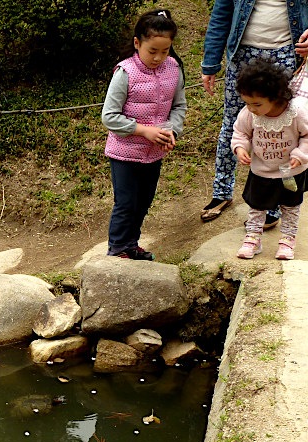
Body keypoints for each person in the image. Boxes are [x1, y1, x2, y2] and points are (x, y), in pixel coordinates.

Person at [199, 0, 308, 224]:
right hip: (241, 56)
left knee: (283, 132)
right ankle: (221, 192)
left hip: (284, 57)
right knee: (233, 126)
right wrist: (211, 63)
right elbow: (221, 13)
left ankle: (273, 205)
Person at [101, 9, 187, 260]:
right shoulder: (125, 72)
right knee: (126, 204)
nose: (159, 57)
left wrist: (171, 130)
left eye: (165, 51)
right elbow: (109, 116)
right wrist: (144, 130)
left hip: (154, 154)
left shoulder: (174, 68)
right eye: (152, 51)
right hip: (125, 154)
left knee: (143, 203)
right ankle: (117, 249)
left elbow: (179, 105)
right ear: (137, 43)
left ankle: (131, 244)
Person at [231, 59, 308, 260]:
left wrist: (300, 155)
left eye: (257, 104)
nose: (251, 108)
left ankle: (287, 240)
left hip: (290, 170)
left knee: (290, 205)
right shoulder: (250, 113)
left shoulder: (295, 112)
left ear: (276, 97)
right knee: (257, 205)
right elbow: (241, 132)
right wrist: (240, 148)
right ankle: (253, 238)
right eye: (247, 103)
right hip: (262, 169)